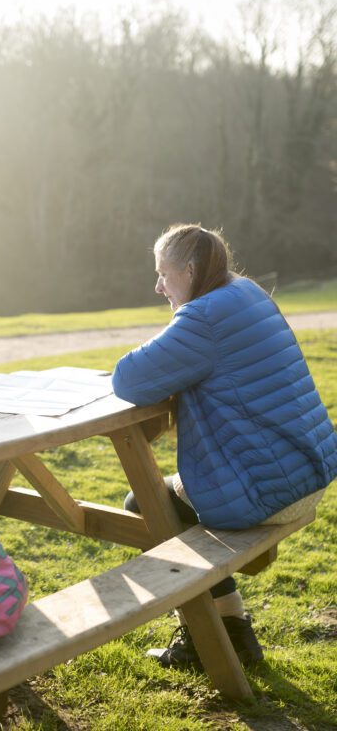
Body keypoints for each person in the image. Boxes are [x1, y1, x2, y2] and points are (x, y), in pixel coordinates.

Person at [111, 223, 337, 668]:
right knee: (149, 501)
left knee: (147, 509)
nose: (158, 286)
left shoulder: (205, 316)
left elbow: (129, 378)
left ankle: (211, 638)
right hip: (305, 470)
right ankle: (232, 630)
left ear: (191, 270)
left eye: (164, 275)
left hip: (268, 486)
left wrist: (177, 320)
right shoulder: (245, 292)